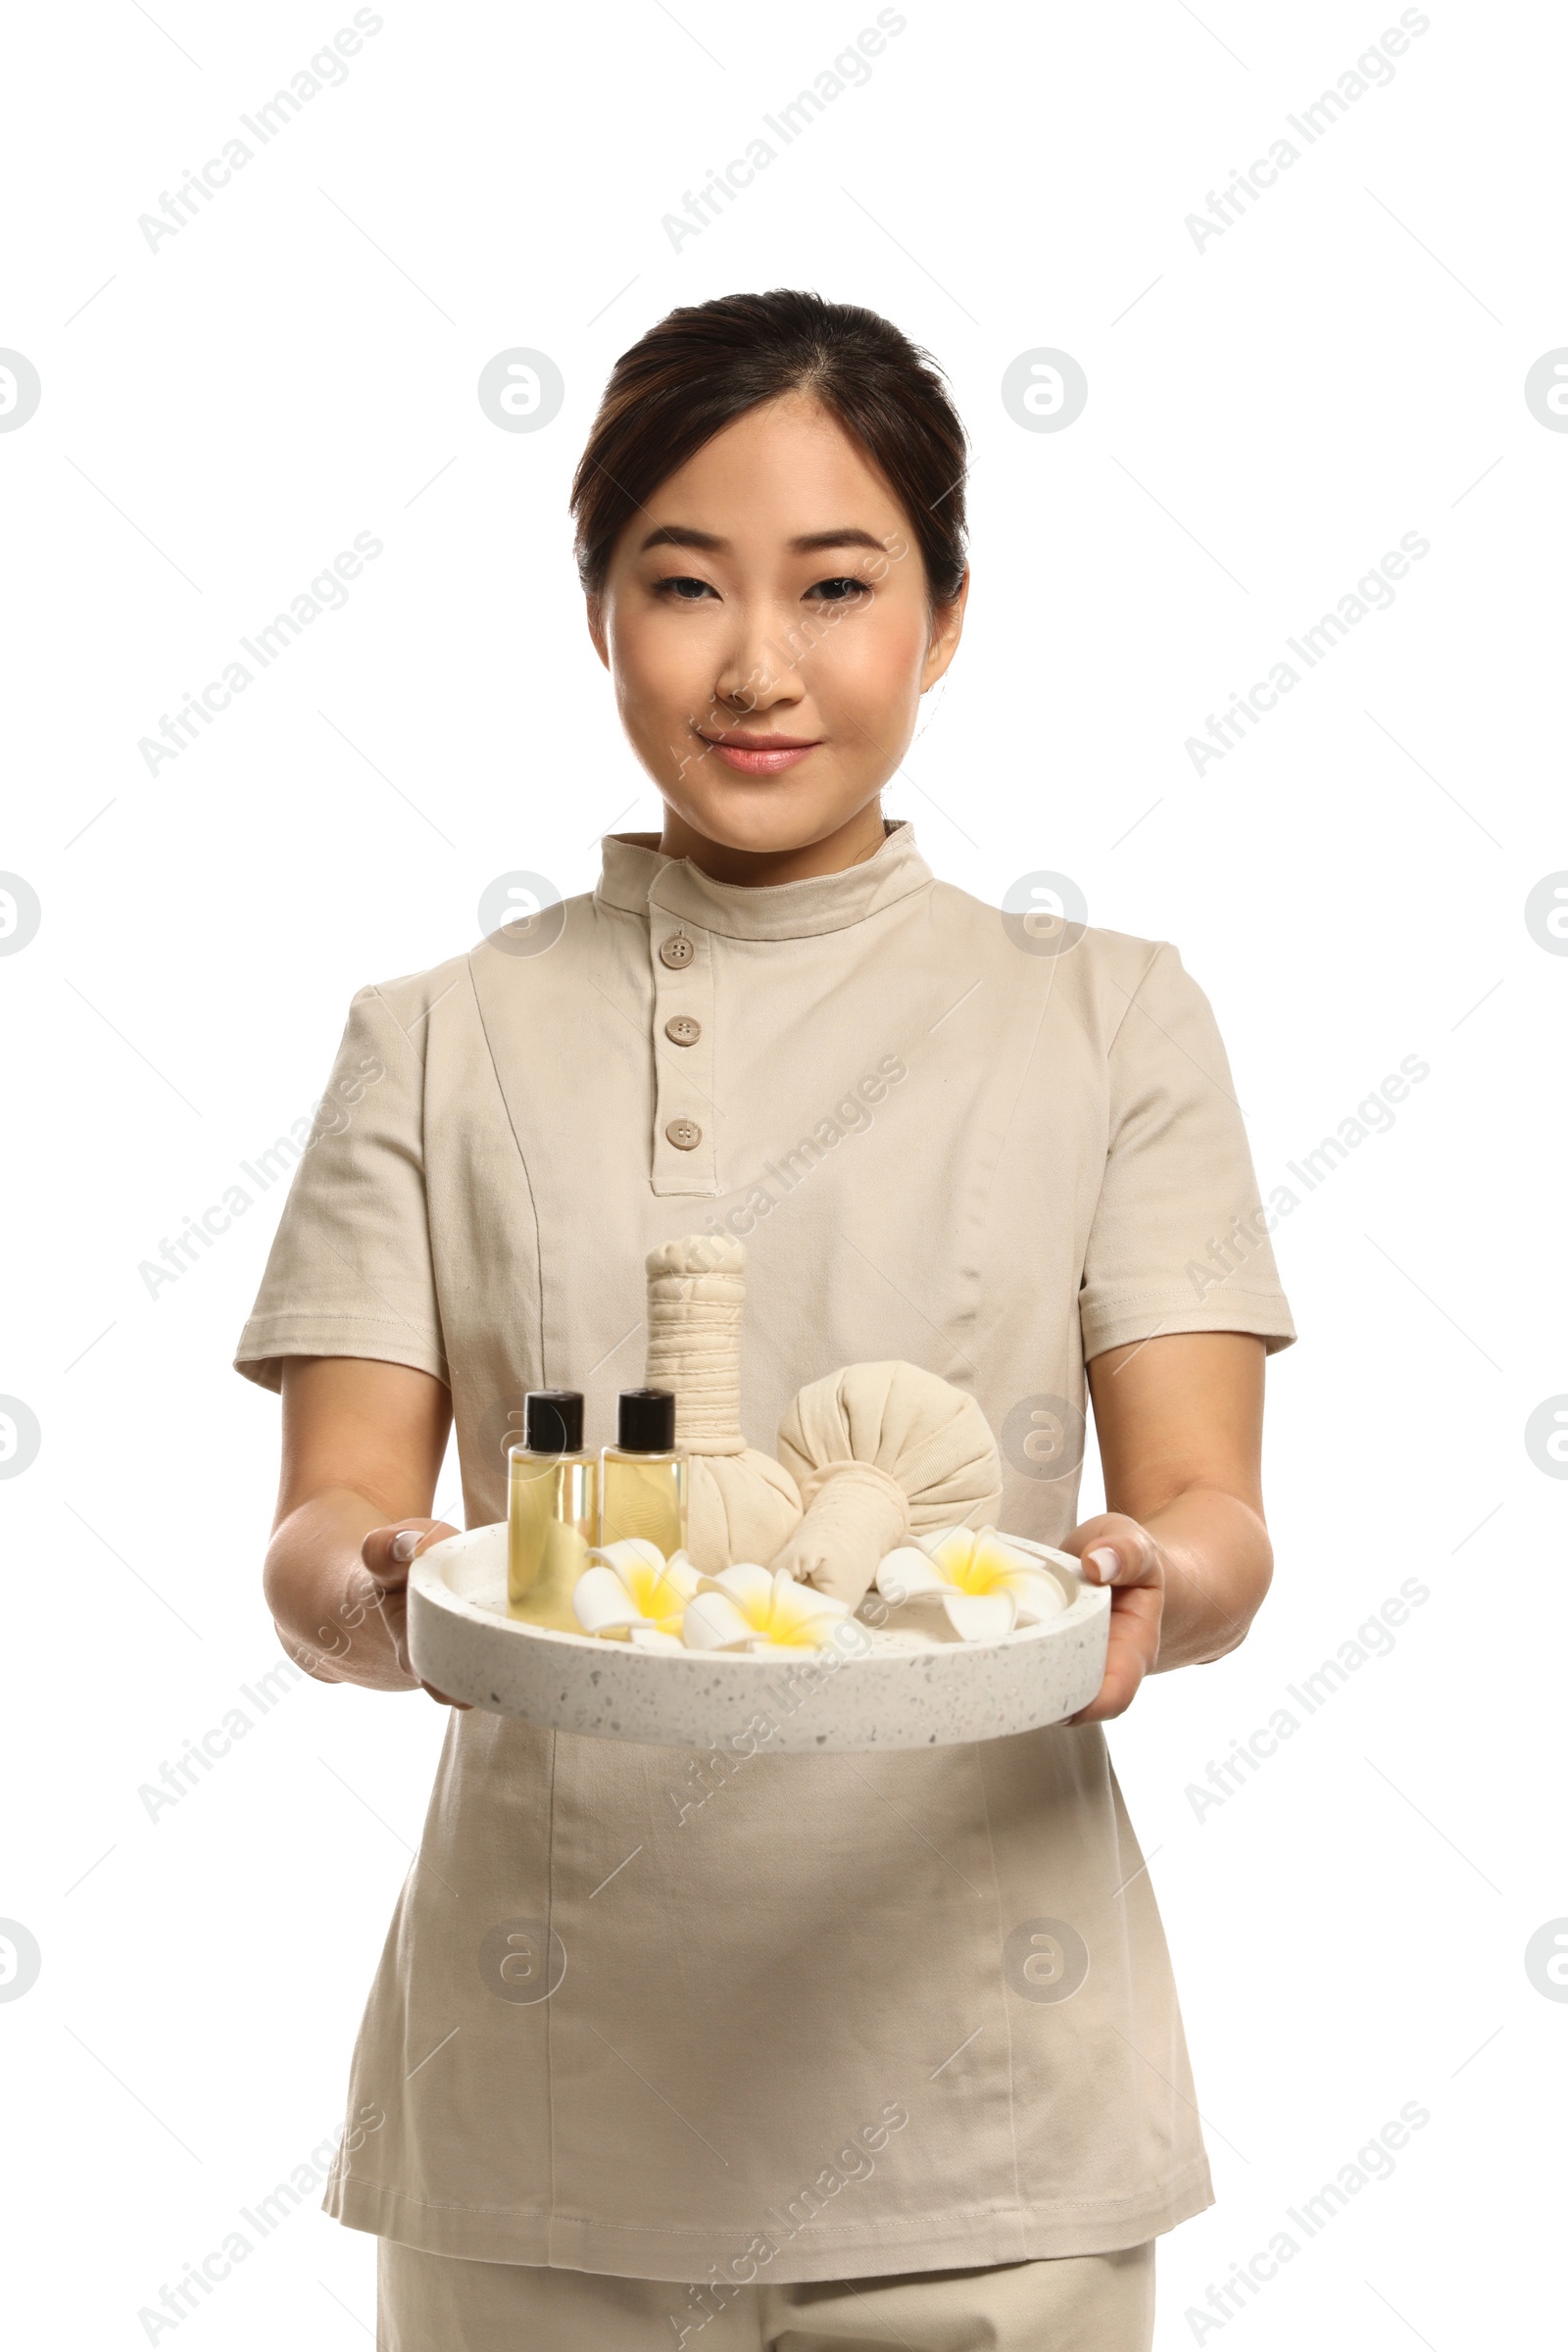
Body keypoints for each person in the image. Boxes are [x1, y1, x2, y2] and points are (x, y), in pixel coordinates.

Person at [238, 289, 1295, 2351]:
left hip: (987, 2113)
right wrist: (382, 1589)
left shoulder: (1106, 1020)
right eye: (679, 585)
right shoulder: (433, 1042)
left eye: (834, 587)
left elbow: (1206, 1514)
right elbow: (322, 1533)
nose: (753, 667)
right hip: (543, 2113)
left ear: (945, 612)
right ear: (596, 613)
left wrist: (1149, 1570)